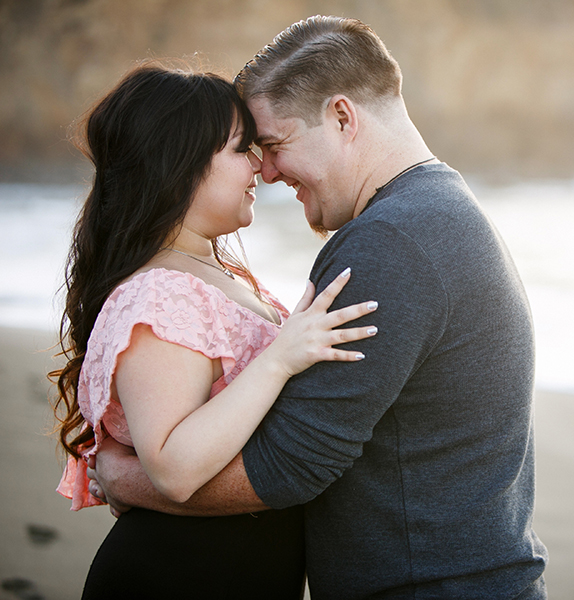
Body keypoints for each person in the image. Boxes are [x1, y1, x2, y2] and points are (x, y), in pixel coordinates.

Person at [89, 16, 549, 598]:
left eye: (275, 145)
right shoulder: (437, 210)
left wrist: (125, 479)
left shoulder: (392, 242)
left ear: (341, 117)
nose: (269, 170)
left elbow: (290, 466)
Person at [51, 62, 378, 599]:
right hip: (178, 576)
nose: (261, 165)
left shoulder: (209, 275)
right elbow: (174, 470)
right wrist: (280, 358)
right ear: (177, 164)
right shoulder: (160, 294)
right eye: (239, 148)